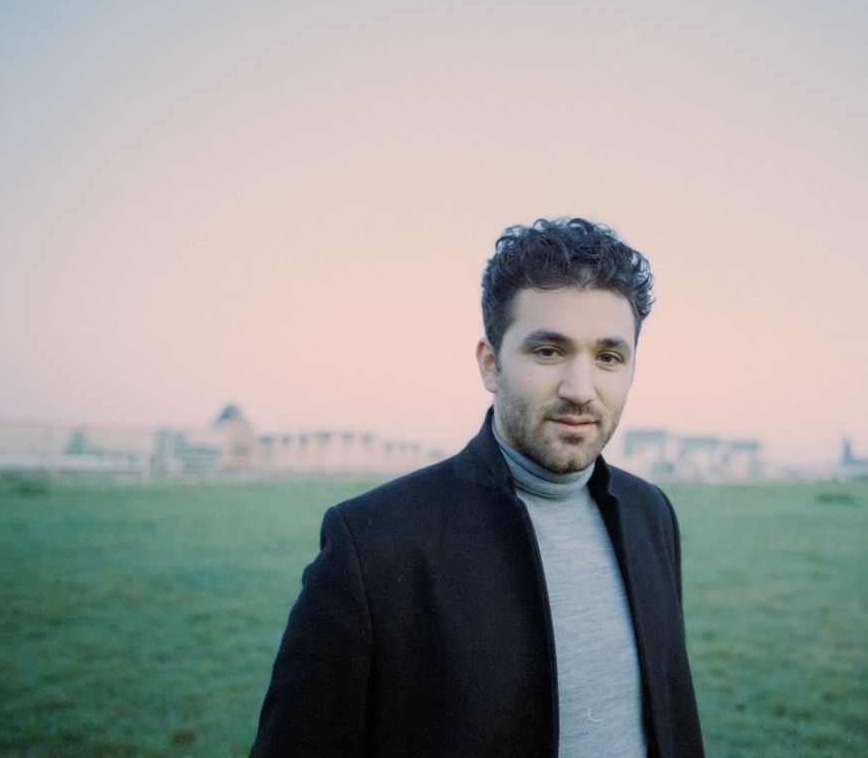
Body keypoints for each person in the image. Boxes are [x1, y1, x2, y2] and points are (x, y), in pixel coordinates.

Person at [250, 217, 703, 758]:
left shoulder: (651, 513)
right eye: (548, 351)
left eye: (609, 357)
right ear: (491, 364)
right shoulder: (371, 543)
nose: (580, 389)